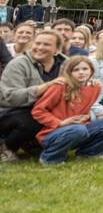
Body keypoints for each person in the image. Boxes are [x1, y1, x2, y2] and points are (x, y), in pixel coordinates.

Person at [31, 55, 103, 165]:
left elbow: (85, 107)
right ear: (69, 72)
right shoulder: (59, 87)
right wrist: (60, 122)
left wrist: (89, 116)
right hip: (53, 134)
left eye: (85, 69)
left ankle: (90, 153)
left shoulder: (95, 87)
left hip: (80, 129)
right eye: (76, 70)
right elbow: (38, 110)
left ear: (91, 71)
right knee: (79, 129)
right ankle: (50, 158)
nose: (81, 72)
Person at [0, 29, 68, 162]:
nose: (40, 48)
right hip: (10, 112)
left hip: (48, 111)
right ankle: (6, 147)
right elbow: (8, 97)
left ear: (57, 49)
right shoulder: (18, 64)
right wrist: (44, 87)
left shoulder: (66, 64)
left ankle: (33, 144)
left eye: (46, 44)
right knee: (34, 118)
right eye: (37, 43)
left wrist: (90, 82)